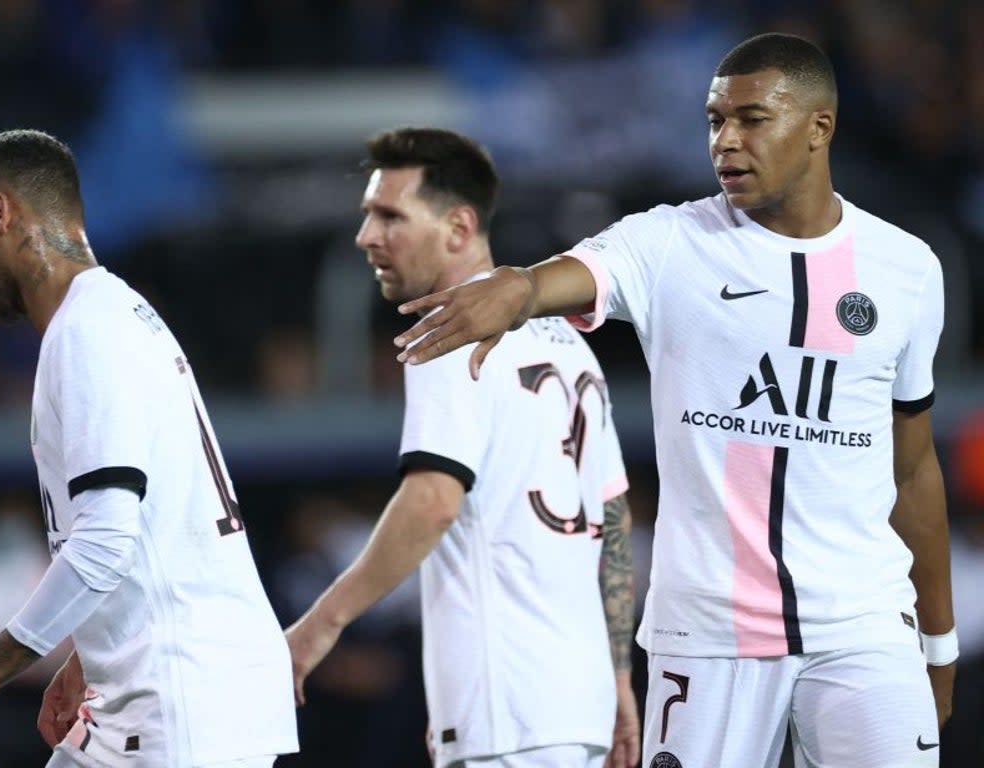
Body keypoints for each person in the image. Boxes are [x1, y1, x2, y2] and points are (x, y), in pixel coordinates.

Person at [393, 33, 957, 768]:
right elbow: (565, 276)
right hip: (710, 636)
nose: (726, 140)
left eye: (752, 119)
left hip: (864, 630)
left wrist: (937, 647)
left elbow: (912, 470)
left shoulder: (907, 269)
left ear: (820, 127)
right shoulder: (667, 244)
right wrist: (518, 289)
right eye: (715, 120)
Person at [285, 127, 640, 768]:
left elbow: (432, 503)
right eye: (368, 215)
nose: (367, 236)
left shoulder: (449, 331)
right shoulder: (567, 341)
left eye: (390, 215)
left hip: (510, 708)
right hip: (575, 707)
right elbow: (614, 520)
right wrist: (616, 676)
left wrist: (321, 625)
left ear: (457, 227)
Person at [0, 129, 299, 767]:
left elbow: (103, 541)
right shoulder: (115, 313)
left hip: (179, 701)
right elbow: (145, 525)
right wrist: (87, 653)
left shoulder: (88, 330)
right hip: (168, 689)